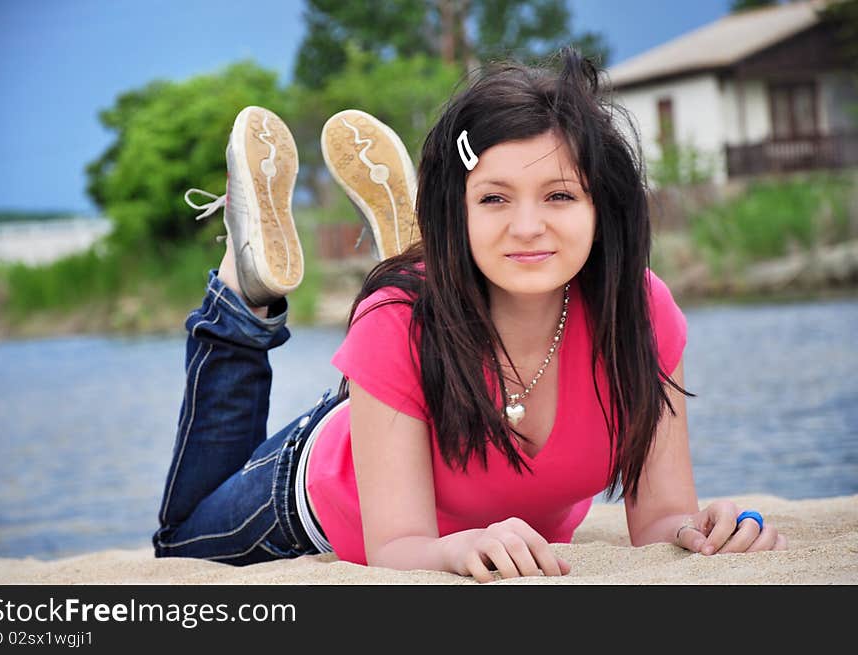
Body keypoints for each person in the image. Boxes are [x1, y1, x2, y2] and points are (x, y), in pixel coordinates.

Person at [152, 48, 786, 582]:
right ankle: (243, 293)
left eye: (560, 195)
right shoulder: (398, 321)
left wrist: (703, 531)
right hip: (317, 497)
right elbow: (396, 549)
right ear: (459, 211)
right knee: (178, 546)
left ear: (604, 208)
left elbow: (657, 523)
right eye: (494, 198)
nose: (529, 227)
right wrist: (454, 551)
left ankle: (422, 254)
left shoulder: (640, 311)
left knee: (405, 319)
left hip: (419, 365)